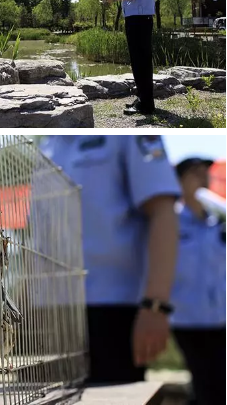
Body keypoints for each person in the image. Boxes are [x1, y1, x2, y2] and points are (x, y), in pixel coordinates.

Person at [36, 135, 181, 384]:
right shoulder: (46, 144)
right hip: (50, 313)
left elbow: (163, 212)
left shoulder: (127, 137)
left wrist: (156, 306)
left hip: (112, 311)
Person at [170, 158, 226, 405]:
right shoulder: (170, 220)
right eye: (196, 173)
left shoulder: (217, 219)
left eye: (206, 172)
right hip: (186, 318)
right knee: (205, 382)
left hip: (219, 317)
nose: (204, 177)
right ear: (180, 180)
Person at [104, 0, 156, 116]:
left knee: (139, 62)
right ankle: (143, 99)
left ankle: (146, 105)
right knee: (141, 61)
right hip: (141, 19)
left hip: (138, 20)